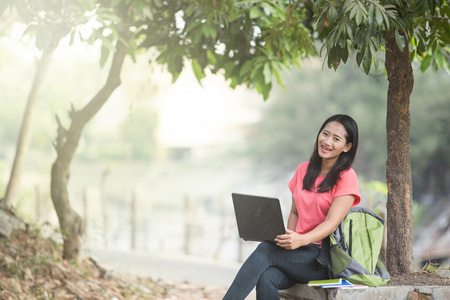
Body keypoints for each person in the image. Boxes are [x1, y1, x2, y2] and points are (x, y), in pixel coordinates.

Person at [223, 114, 361, 300]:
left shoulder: (346, 176)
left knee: (265, 250)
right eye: (325, 134)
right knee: (267, 277)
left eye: (336, 139)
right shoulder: (303, 170)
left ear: (347, 146)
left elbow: (332, 223)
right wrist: (287, 240)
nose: (327, 141)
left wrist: (301, 240)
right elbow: (295, 212)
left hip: (323, 258)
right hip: (299, 253)